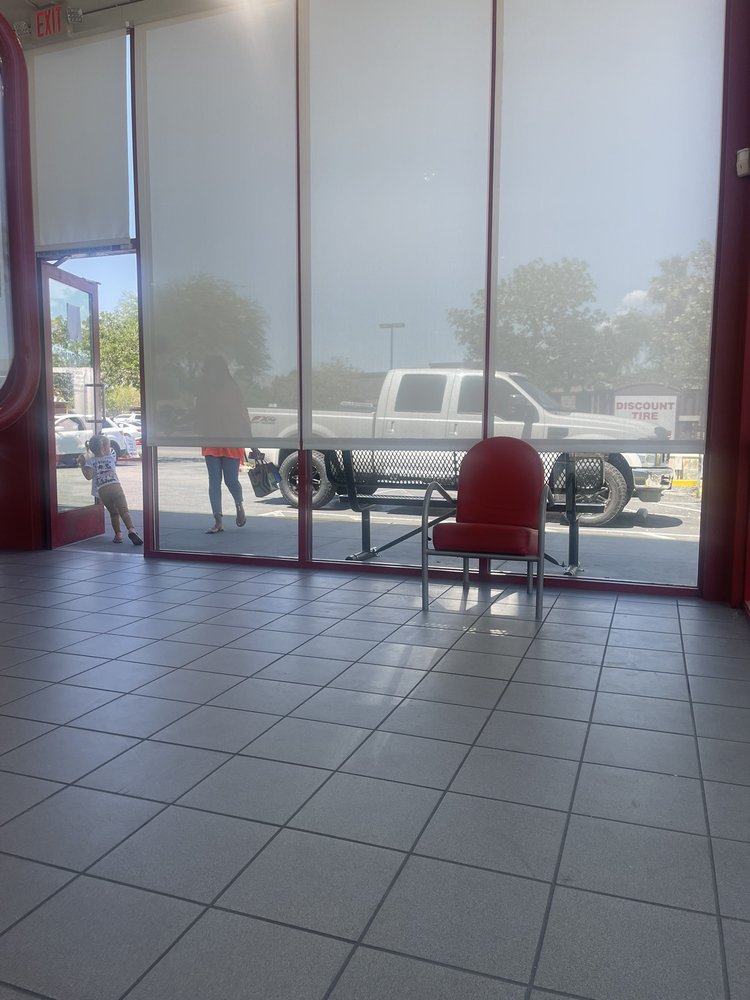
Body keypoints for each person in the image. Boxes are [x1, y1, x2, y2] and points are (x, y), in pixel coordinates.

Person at [193, 355, 253, 535]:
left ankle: (239, 505)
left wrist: (251, 441)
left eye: (208, 370)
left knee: (231, 480)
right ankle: (218, 520)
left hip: (231, 439)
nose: (206, 373)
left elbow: (242, 414)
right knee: (214, 480)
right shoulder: (204, 389)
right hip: (211, 439)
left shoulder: (231, 388)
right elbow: (199, 413)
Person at [78, 434, 143, 545]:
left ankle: (118, 535)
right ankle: (131, 529)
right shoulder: (111, 458)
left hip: (103, 490)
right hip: (116, 487)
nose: (110, 448)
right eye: (109, 446)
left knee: (114, 513)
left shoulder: (91, 462)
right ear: (103, 448)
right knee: (124, 510)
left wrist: (82, 464)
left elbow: (88, 476)